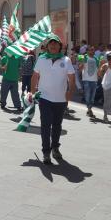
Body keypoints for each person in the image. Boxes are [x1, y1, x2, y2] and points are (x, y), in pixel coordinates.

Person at [31, 34, 76, 165]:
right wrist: (32, 92)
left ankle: (55, 147)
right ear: (47, 46)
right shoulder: (41, 59)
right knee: (45, 125)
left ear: (60, 46)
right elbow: (35, 76)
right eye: (51, 44)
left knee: (57, 126)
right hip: (44, 98)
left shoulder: (66, 60)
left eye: (56, 44)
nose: (53, 46)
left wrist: (70, 92)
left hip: (61, 100)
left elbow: (72, 79)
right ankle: (46, 152)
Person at [78, 45, 99, 118]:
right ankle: (89, 109)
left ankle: (89, 109)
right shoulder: (84, 57)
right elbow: (80, 69)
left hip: (94, 80)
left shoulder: (96, 59)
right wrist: (81, 65)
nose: (92, 51)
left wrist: (100, 76)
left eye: (93, 50)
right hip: (86, 80)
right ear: (87, 51)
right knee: (87, 95)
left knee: (92, 97)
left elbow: (98, 69)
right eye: (90, 50)